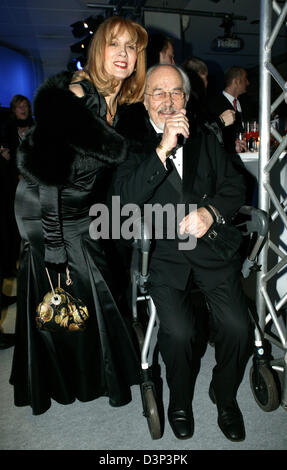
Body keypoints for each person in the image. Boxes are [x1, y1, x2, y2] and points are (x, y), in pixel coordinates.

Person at [9, 16, 148, 415]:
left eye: (131, 47)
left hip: (80, 207)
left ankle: (92, 373)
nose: (123, 54)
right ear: (98, 49)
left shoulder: (117, 103)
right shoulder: (74, 94)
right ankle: (74, 376)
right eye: (115, 44)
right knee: (65, 286)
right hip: (45, 207)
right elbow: (48, 173)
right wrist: (53, 244)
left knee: (92, 286)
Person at [114, 64, 253, 441]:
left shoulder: (205, 139)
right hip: (163, 256)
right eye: (158, 93)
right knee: (178, 334)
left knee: (238, 328)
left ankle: (224, 397)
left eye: (176, 92)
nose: (168, 101)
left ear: (187, 100)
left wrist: (210, 212)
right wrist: (162, 149)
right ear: (145, 102)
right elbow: (122, 201)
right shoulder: (130, 145)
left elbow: (236, 185)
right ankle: (179, 400)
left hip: (209, 249)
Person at [181, 56, 235, 141]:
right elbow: (195, 137)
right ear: (199, 76)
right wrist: (220, 121)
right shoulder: (192, 101)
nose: (207, 83)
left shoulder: (186, 98)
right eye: (206, 78)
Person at [208, 66, 250, 153]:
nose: (248, 83)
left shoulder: (246, 103)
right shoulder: (213, 104)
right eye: (245, 79)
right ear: (237, 81)